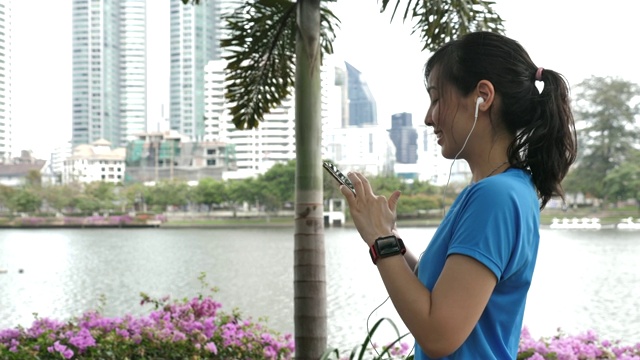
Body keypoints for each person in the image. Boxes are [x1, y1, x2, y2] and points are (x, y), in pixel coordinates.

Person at [339, 31, 577, 359]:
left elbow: (439, 335)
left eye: (437, 99)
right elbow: (439, 288)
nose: (428, 117)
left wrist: (380, 240)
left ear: (483, 96)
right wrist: (390, 238)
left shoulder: (495, 197)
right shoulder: (504, 189)